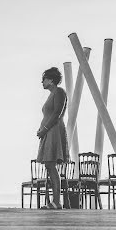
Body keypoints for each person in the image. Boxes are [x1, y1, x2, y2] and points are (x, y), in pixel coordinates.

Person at [37, 67, 69, 210]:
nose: (42, 82)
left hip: (53, 131)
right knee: (49, 165)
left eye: (44, 79)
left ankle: (56, 202)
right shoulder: (51, 94)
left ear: (51, 79)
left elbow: (57, 113)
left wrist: (44, 129)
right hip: (48, 132)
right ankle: (54, 202)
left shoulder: (59, 92)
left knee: (51, 164)